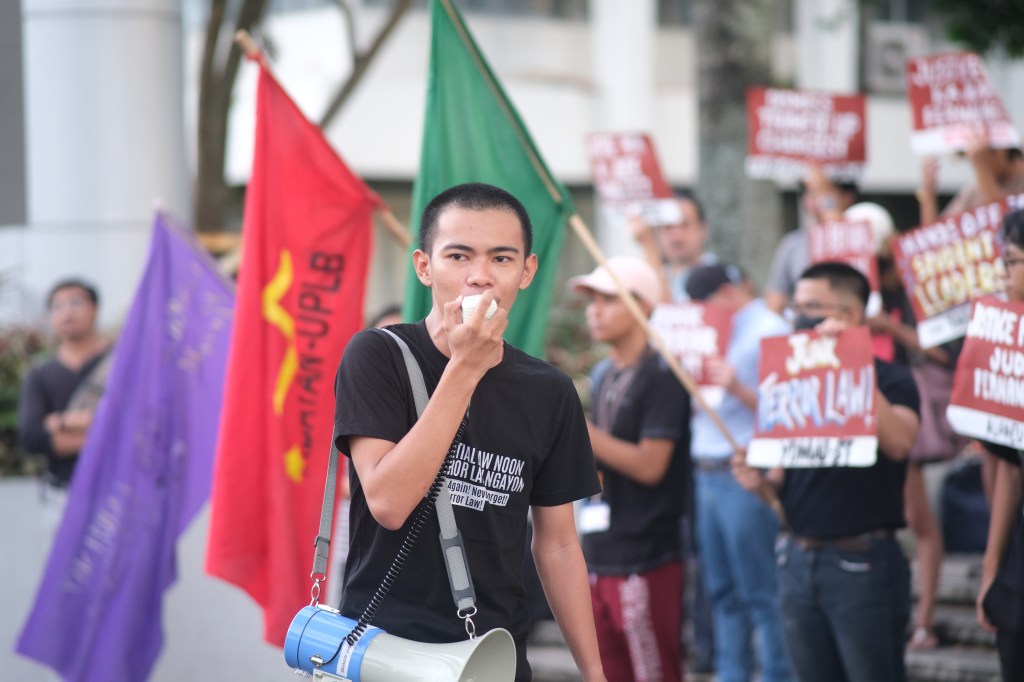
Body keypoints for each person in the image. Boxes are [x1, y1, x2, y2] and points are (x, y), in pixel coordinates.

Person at [332, 182, 605, 682]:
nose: (479, 277)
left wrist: (593, 671)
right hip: (383, 652)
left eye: (501, 259)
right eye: (458, 256)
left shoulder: (549, 391)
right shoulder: (378, 355)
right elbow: (388, 503)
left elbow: (559, 544)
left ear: (527, 272)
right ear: (424, 266)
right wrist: (465, 367)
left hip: (491, 655)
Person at [734, 261, 921, 682]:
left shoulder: (892, 379)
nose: (800, 317)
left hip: (862, 564)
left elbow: (900, 442)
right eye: (796, 307)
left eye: (813, 306)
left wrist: (853, 365)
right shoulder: (786, 377)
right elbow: (782, 487)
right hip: (798, 560)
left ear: (850, 315)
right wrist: (759, 484)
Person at [569, 256, 691, 682]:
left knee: (651, 671)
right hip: (602, 549)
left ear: (644, 306)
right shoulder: (604, 372)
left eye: (608, 300)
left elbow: (651, 465)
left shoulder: (664, 374)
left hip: (646, 553)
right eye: (591, 301)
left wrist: (581, 432)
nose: (594, 311)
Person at [683, 263, 793, 682]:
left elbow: (793, 409)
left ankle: (777, 673)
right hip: (705, 468)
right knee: (721, 588)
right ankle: (732, 672)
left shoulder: (769, 327)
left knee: (760, 588)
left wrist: (736, 387)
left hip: (744, 469)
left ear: (730, 293)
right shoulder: (705, 329)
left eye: (708, 301)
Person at [975, 207, 1024, 681]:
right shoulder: (1009, 348)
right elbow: (1009, 468)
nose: (1002, 275)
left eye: (1011, 261)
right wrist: (991, 572)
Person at [18, 279, 110, 525]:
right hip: (62, 493)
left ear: (95, 309)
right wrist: (98, 431)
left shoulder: (120, 366)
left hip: (117, 488)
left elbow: (132, 426)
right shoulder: (39, 374)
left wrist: (58, 423)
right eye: (57, 307)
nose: (66, 312)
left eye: (76, 303)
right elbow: (31, 436)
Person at [630, 192, 716, 303]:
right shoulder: (659, 273)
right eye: (668, 226)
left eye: (685, 225)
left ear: (703, 229)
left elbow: (667, 314)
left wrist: (648, 246)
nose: (677, 235)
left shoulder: (723, 277)